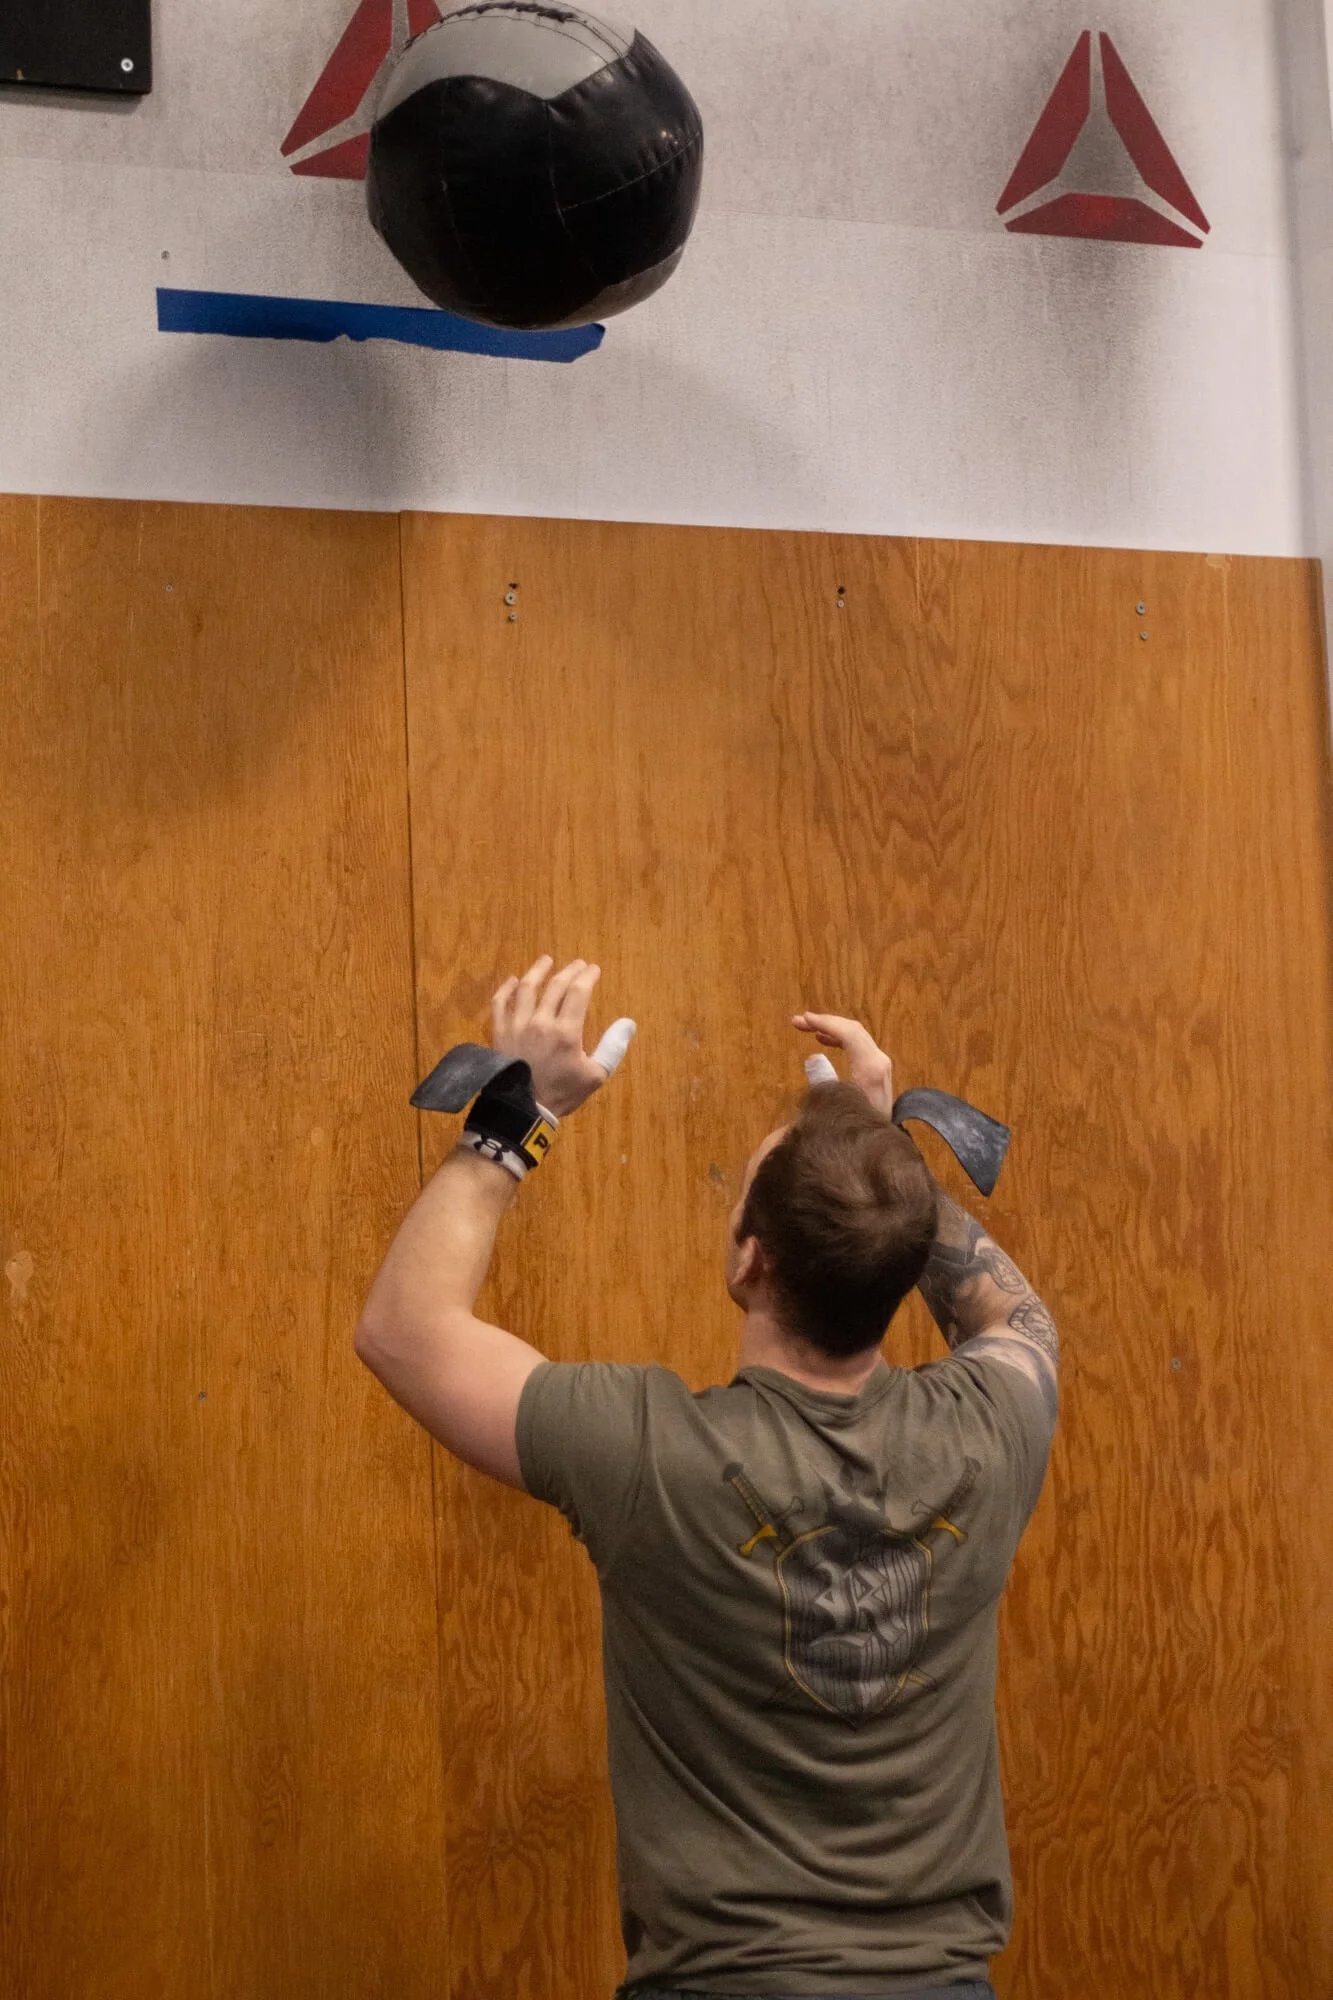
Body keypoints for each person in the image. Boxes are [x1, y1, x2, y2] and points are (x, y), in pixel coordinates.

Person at [355, 956, 1059, 2000]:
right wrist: (875, 1156)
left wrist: (520, 1112)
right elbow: (1009, 1315)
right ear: (898, 1260)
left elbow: (404, 1330)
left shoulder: (647, 1452)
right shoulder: (991, 1429)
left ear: (746, 1260)